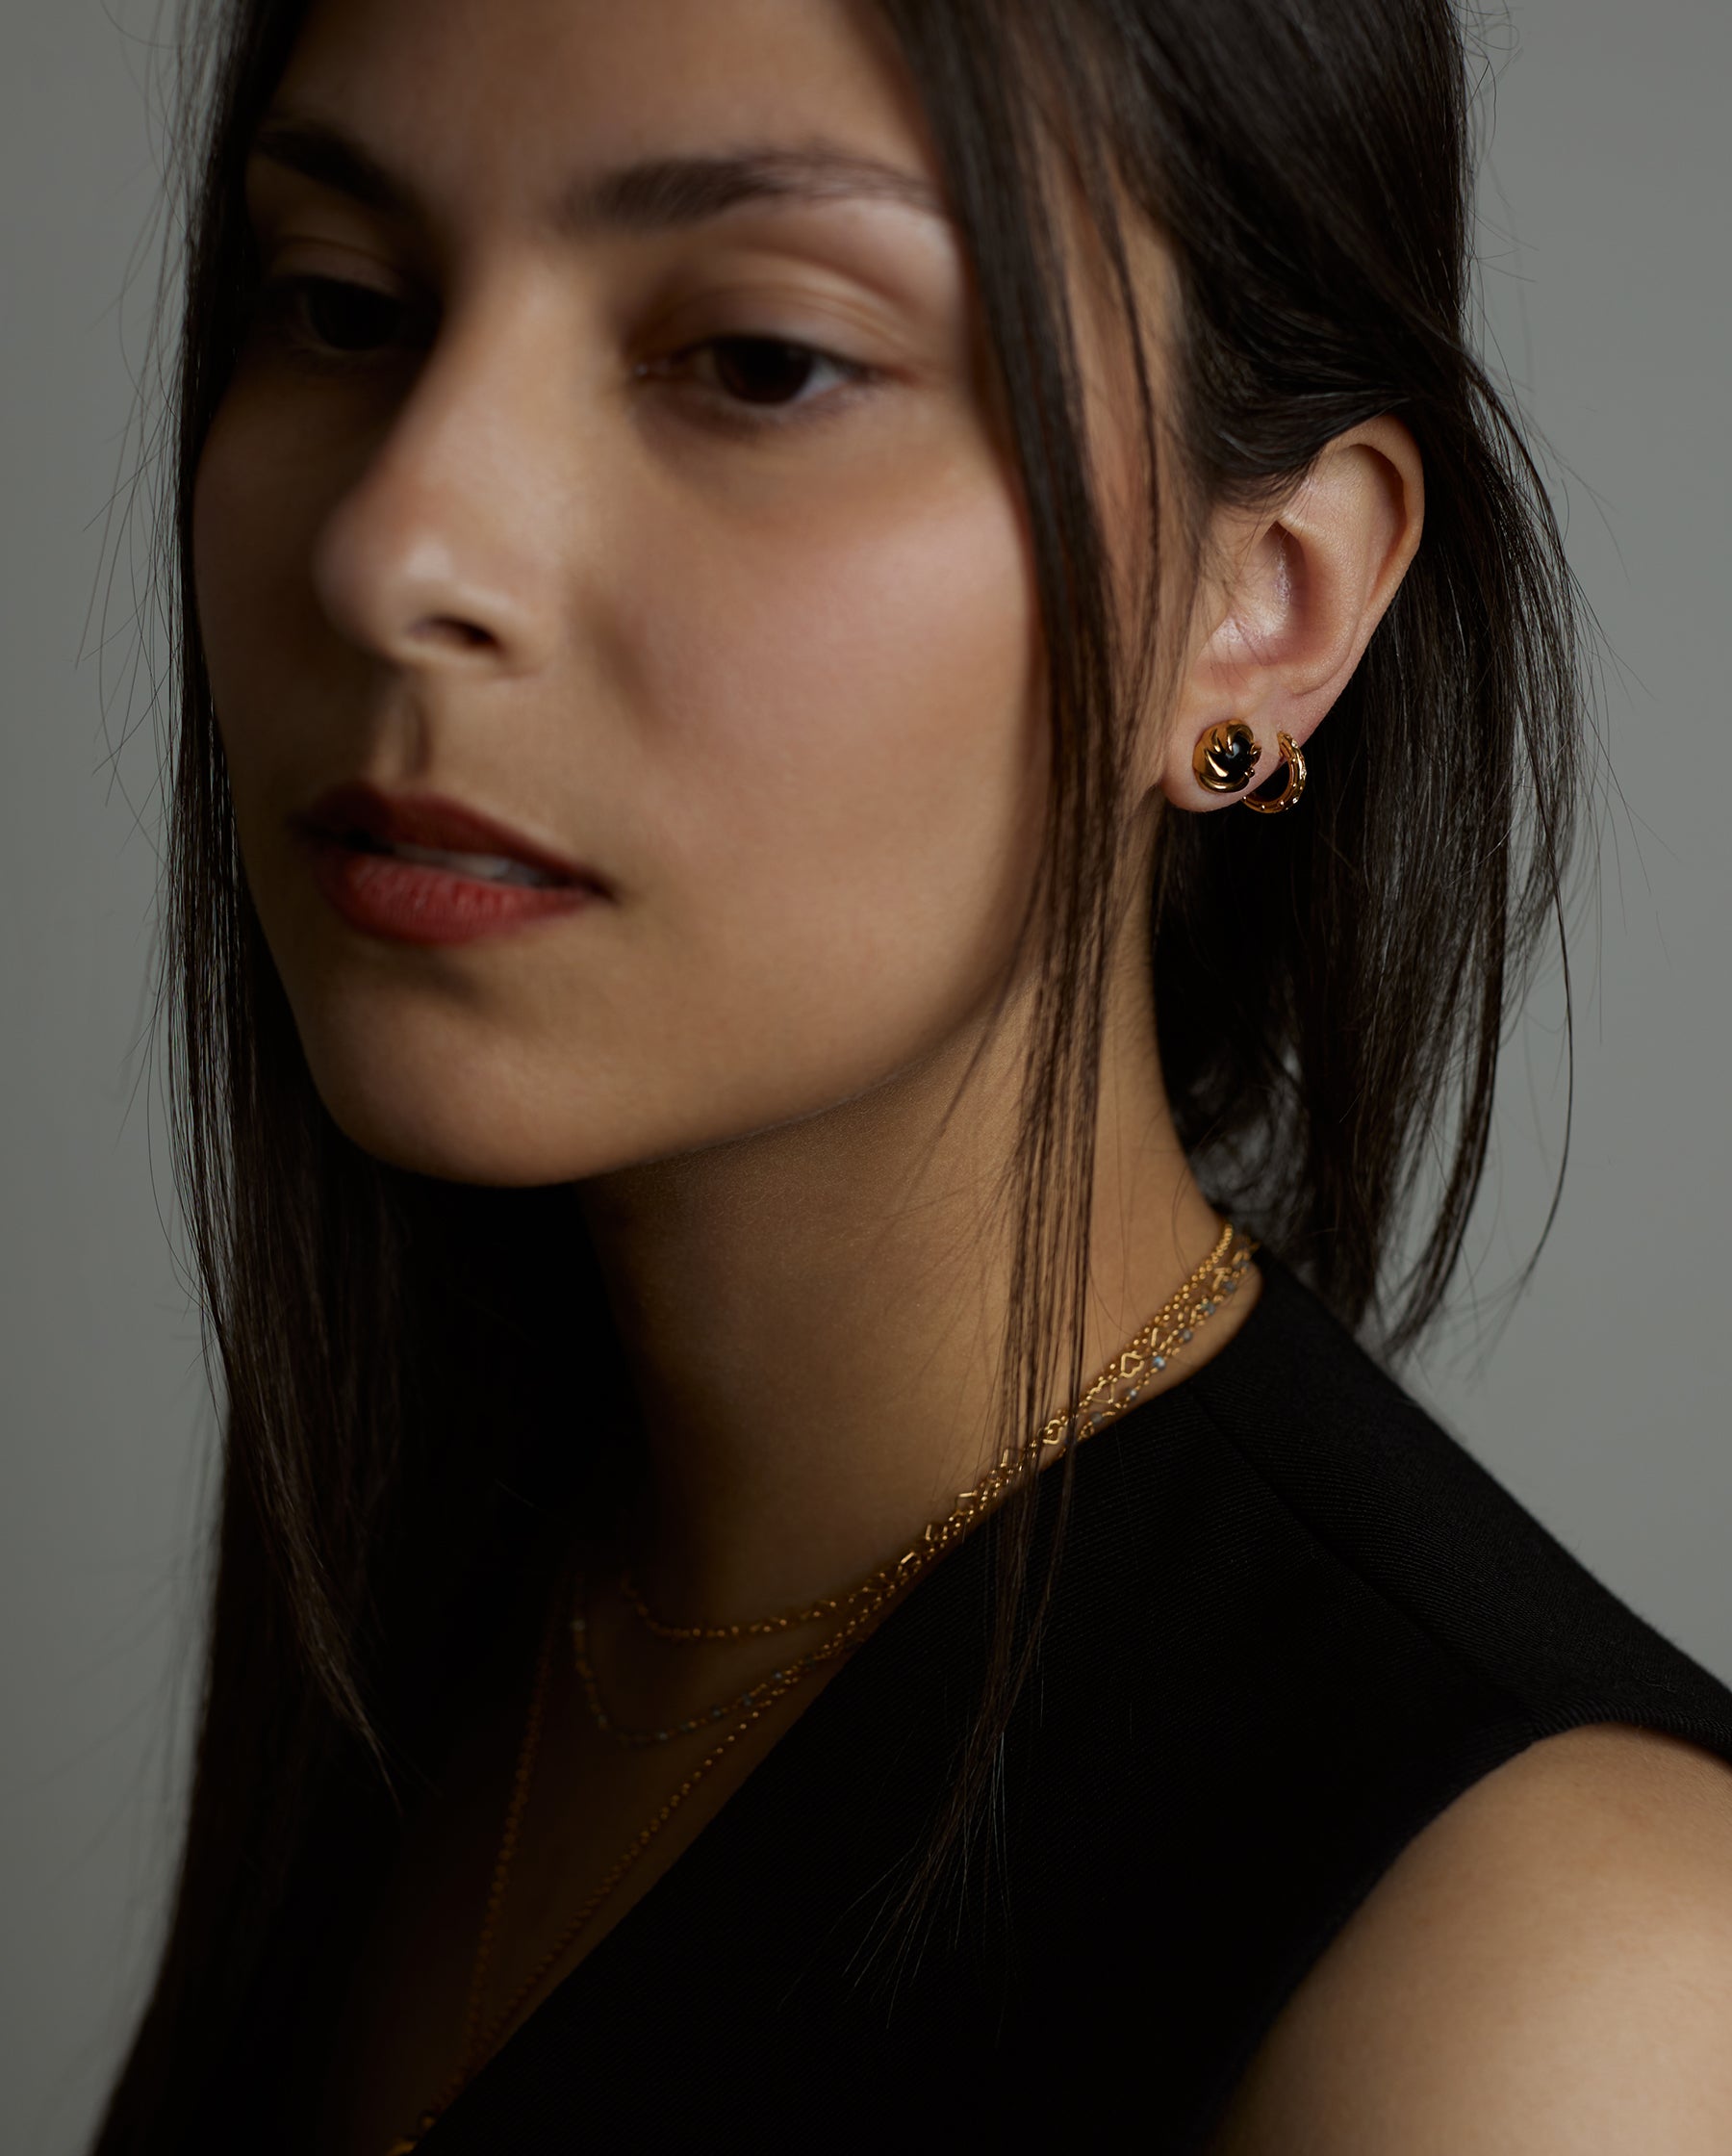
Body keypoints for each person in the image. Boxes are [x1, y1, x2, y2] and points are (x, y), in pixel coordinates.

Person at [92, 0, 1732, 2150]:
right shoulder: (469, 1563)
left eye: (763, 358)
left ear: (1268, 600)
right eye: (343, 303)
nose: (399, 550)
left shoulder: (1557, 1995)